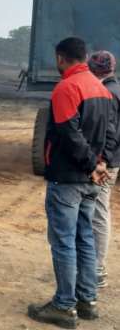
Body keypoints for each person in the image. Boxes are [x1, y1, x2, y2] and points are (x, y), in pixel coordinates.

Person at [28, 37, 113, 329]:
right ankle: (86, 300)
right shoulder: (101, 88)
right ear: (85, 57)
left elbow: (69, 133)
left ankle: (64, 306)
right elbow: (112, 134)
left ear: (61, 58)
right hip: (92, 178)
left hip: (67, 179)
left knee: (64, 242)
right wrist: (101, 165)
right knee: (84, 238)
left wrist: (91, 165)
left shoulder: (67, 88)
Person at [88, 50, 120, 289]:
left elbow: (110, 133)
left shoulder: (107, 93)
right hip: (113, 160)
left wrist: (102, 162)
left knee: (98, 213)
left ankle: (96, 270)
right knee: (99, 211)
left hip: (107, 162)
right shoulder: (116, 89)